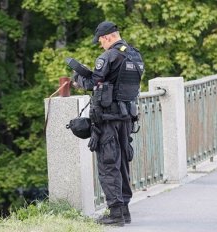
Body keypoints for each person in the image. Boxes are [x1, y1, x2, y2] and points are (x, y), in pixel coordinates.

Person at [73, 21, 144, 226]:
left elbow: (93, 82)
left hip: (108, 119)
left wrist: (78, 77)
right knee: (121, 163)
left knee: (108, 164)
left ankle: (115, 214)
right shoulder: (134, 54)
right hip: (126, 118)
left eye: (100, 41)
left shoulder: (109, 56)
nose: (100, 45)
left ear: (107, 37)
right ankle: (124, 210)